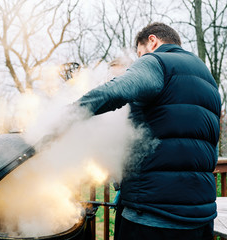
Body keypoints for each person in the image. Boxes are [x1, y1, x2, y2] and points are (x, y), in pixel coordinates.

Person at [75, 22, 221, 240]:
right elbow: (211, 147)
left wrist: (64, 117)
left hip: (154, 219)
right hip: (200, 219)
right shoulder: (208, 80)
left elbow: (115, 91)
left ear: (152, 41)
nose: (139, 60)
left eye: (140, 54)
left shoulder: (157, 62)